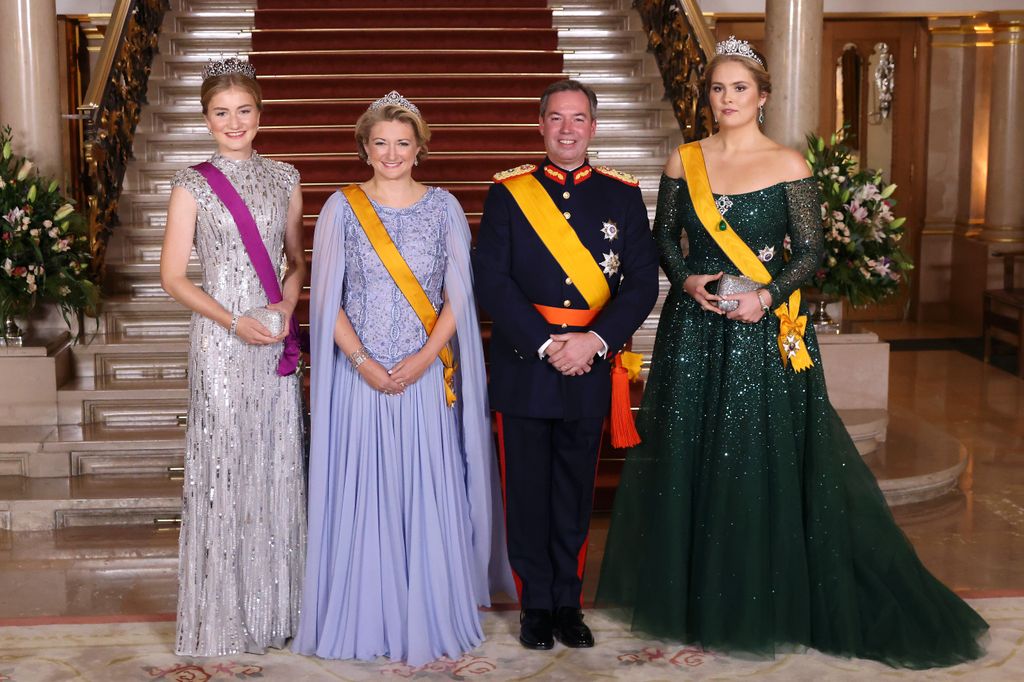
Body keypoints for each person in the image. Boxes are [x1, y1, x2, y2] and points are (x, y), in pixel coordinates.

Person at [596, 38, 988, 668]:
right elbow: (662, 237)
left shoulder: (789, 165)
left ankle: (759, 595)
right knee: (691, 451)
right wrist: (688, 279)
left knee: (754, 456)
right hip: (694, 329)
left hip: (765, 331)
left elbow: (810, 253)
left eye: (740, 89)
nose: (727, 100)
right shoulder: (683, 160)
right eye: (718, 89)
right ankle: (695, 595)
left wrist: (766, 296)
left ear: (763, 97)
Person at [293, 92, 514, 667]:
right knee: (366, 491)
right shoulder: (343, 206)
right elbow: (326, 299)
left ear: (420, 148)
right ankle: (365, 613)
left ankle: (430, 609)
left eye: (402, 143)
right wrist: (363, 360)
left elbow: (458, 295)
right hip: (359, 376)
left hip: (422, 376)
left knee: (423, 489)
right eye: (381, 143)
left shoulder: (443, 208)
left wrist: (424, 357)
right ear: (365, 147)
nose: (392, 153)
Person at [473, 79, 660, 651]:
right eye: (556, 118)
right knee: (526, 490)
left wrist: (594, 341)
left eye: (578, 119)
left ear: (594, 128)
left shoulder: (622, 195)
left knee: (574, 491)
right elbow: (492, 282)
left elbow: (642, 284)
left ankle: (567, 603)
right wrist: (549, 344)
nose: (567, 129)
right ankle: (535, 605)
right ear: (541, 126)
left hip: (591, 366)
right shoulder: (509, 193)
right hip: (526, 365)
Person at [160, 57, 306, 656]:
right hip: (221, 343)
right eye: (221, 112)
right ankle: (220, 615)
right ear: (206, 118)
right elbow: (172, 276)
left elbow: (296, 260)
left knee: (275, 463)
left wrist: (283, 310)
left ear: (260, 113)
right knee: (224, 468)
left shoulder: (286, 177)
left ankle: (276, 610)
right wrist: (234, 320)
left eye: (244, 110)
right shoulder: (191, 182)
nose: (234, 121)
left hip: (271, 335)